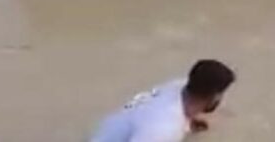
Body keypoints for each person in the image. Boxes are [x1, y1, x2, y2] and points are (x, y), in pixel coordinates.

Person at [91, 59, 236, 142]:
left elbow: (140, 103)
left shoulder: (177, 85)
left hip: (111, 128)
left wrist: (187, 122)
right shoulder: (164, 128)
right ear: (215, 96)